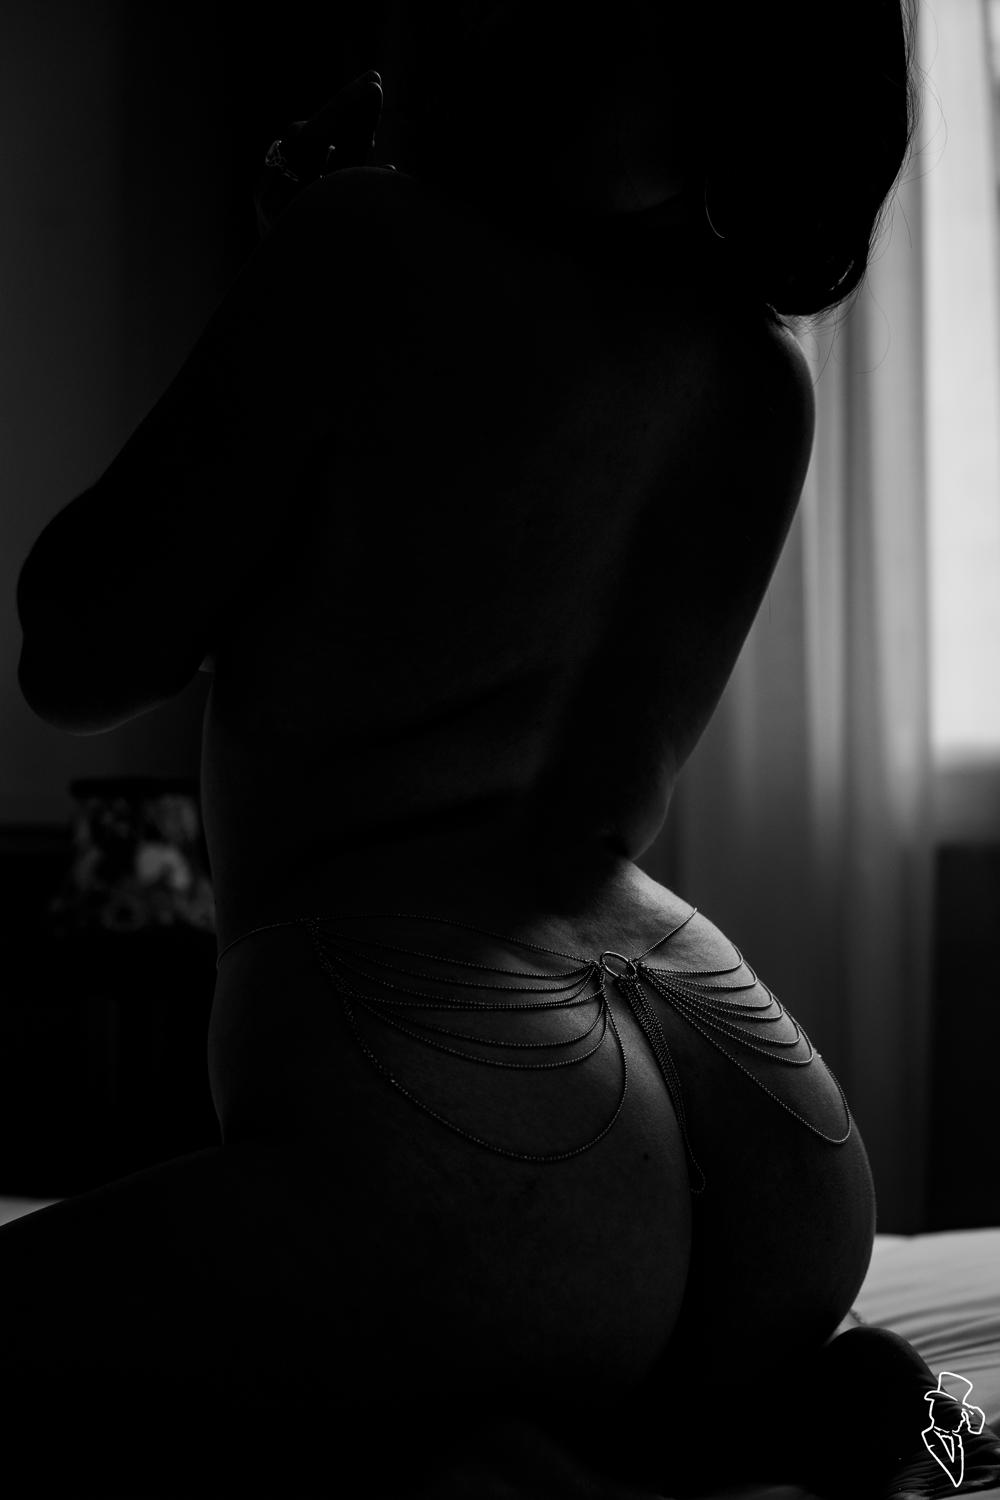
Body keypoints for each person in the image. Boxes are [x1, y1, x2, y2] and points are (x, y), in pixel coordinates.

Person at [11, 2, 1000, 1495]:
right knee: (600, 1350)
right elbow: (594, 763)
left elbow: (82, 651)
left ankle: (486, 1445)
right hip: (764, 1132)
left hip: (478, 1119)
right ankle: (803, 1418)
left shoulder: (364, 250)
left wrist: (280, 289)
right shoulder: (758, 372)